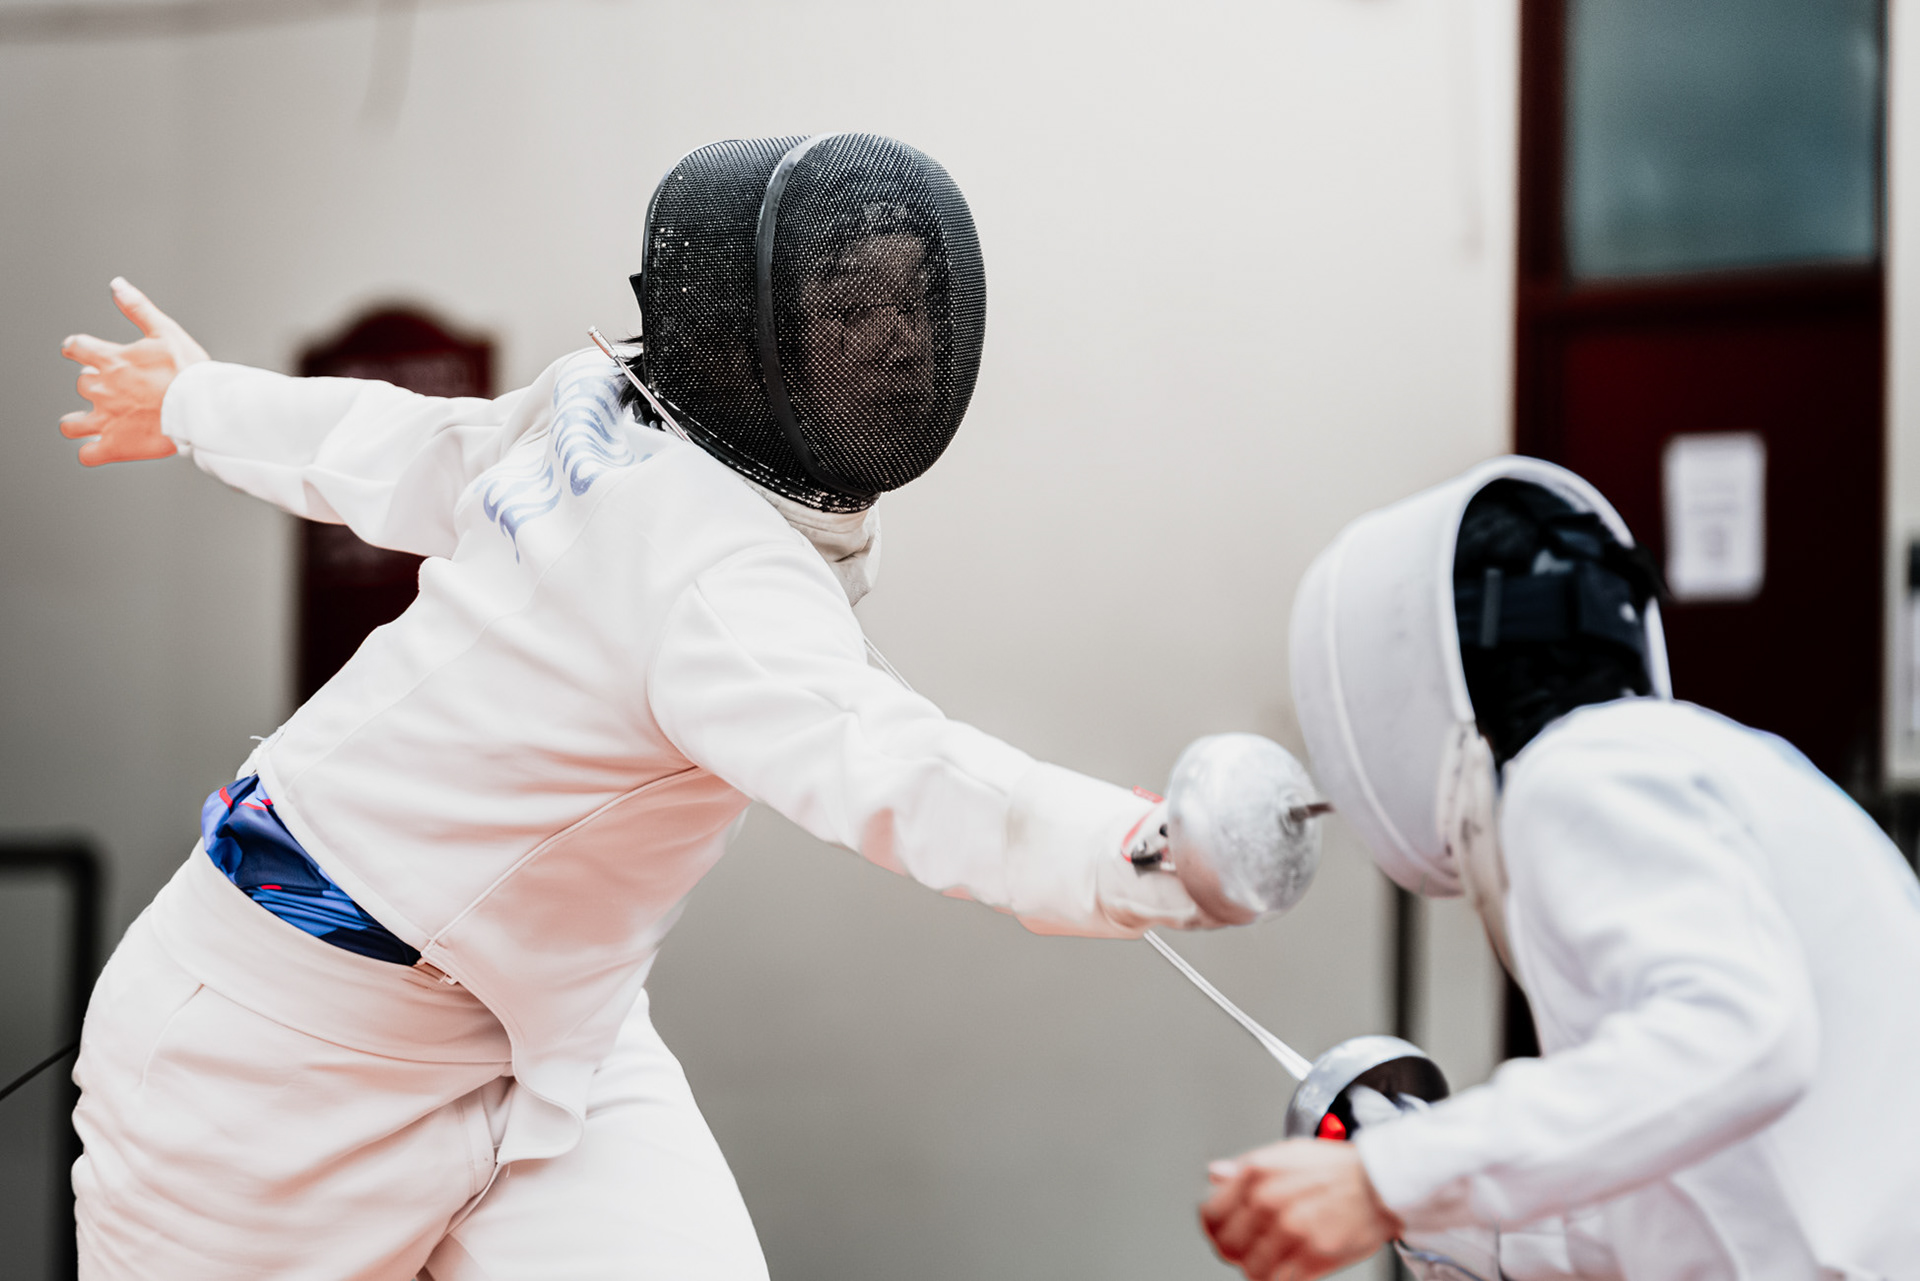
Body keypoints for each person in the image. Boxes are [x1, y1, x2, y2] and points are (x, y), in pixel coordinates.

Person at [56, 134, 1220, 1281]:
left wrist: (193, 402)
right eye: (851, 308)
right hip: (267, 1062)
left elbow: (412, 447)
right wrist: (1144, 852)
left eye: (909, 303)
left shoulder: (606, 409)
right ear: (733, 330)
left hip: (562, 1031)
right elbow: (887, 765)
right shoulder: (707, 557)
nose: (897, 342)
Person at [1201, 458, 1920, 1281]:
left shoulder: (1576, 774)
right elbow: (1679, 1197)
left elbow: (1740, 1032)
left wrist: (1388, 1177)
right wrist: (1418, 1189)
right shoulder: (1732, 764)